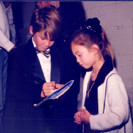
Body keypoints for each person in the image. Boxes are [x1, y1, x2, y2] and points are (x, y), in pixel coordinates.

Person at [2, 6, 80, 133]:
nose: (47, 44)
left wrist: (63, 91)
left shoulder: (64, 53)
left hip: (59, 125)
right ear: (32, 30)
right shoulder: (18, 55)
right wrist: (40, 92)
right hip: (31, 124)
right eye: (43, 38)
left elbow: (74, 89)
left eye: (52, 39)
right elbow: (13, 96)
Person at [71, 17, 133, 133]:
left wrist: (91, 120)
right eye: (75, 56)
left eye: (79, 55)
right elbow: (93, 106)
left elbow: (120, 115)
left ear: (94, 49)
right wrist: (82, 113)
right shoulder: (89, 75)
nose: (77, 60)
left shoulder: (112, 80)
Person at [0, 1, 16, 131]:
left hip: (4, 52)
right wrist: (12, 48)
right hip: (3, 50)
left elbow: (10, 25)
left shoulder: (5, 5)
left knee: (3, 100)